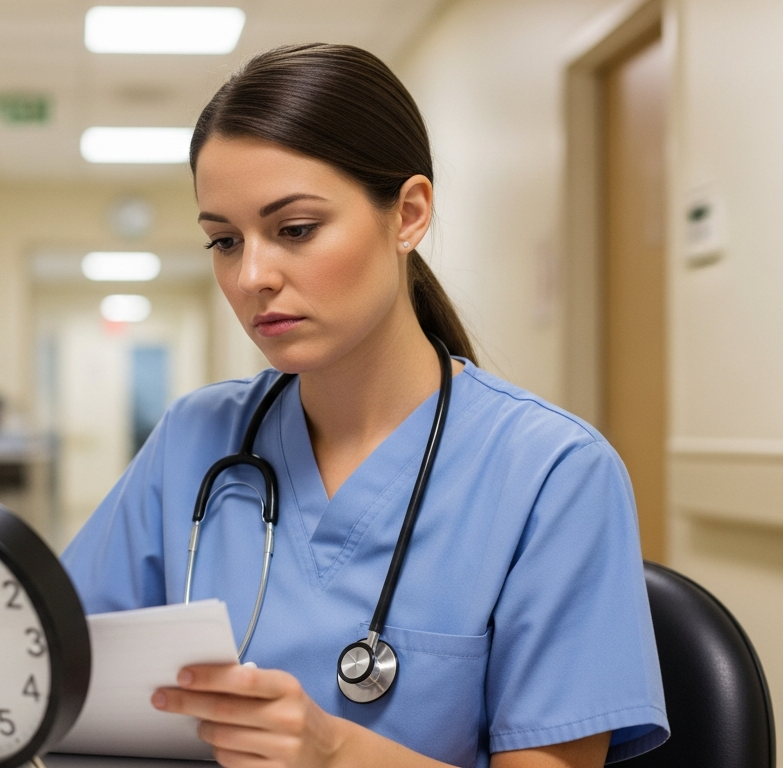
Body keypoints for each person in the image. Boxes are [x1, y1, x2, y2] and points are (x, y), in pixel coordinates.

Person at [60, 44, 667, 768]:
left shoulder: (552, 475)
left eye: (295, 230)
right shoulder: (196, 439)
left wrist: (334, 751)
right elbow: (52, 667)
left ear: (408, 214)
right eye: (224, 240)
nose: (252, 275)